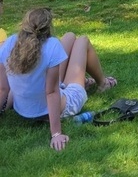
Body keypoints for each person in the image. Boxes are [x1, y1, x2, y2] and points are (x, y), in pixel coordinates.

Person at [0, 8, 116, 152]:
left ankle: (84, 82)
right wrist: (56, 134)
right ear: (48, 26)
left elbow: (3, 88)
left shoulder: (10, 43)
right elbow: (51, 92)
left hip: (24, 109)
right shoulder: (52, 44)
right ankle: (103, 84)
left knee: (69, 36)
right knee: (83, 40)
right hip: (56, 106)